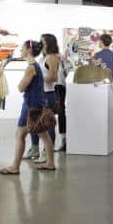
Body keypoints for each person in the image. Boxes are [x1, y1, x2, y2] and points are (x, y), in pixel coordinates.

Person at [0, 41, 56, 174]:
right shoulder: (35, 65)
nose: (20, 51)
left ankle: (15, 167)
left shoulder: (31, 68)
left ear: (29, 50)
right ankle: (50, 163)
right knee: (43, 135)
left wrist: (20, 82)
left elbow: (21, 88)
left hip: (31, 105)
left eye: (22, 48)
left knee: (20, 134)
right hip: (37, 103)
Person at [26, 34, 62, 162]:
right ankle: (35, 149)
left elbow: (54, 77)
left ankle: (47, 152)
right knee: (33, 122)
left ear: (48, 43)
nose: (39, 43)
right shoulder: (42, 58)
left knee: (47, 124)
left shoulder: (52, 57)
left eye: (42, 41)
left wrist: (37, 80)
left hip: (48, 95)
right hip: (38, 94)